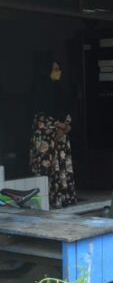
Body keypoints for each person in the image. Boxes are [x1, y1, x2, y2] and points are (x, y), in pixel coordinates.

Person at [29, 58, 77, 208]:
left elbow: (67, 111)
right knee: (48, 172)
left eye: (59, 69)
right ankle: (48, 203)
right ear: (46, 72)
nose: (58, 72)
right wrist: (59, 125)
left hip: (60, 141)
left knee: (61, 171)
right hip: (46, 143)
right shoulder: (38, 92)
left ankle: (63, 200)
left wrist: (66, 126)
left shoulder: (61, 90)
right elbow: (39, 118)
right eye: (55, 69)